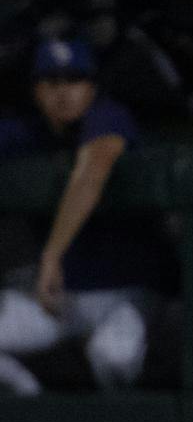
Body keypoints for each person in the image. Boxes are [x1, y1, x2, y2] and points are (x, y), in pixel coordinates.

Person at [0, 39, 174, 395]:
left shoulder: (109, 117)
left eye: (74, 81)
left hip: (131, 292)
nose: (63, 93)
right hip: (61, 297)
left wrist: (51, 255)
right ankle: (30, 402)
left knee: (112, 355)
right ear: (35, 91)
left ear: (92, 88)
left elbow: (92, 172)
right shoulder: (25, 132)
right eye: (51, 83)